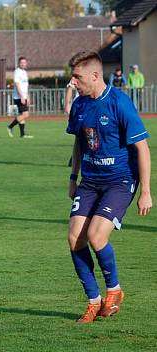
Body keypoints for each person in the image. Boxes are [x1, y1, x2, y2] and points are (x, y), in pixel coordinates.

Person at [66, 51, 152, 323]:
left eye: (77, 77)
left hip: (120, 180)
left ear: (94, 75)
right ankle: (94, 301)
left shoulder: (119, 102)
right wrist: (73, 177)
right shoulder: (80, 105)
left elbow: (142, 148)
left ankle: (114, 290)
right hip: (90, 181)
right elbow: (79, 142)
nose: (73, 82)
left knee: (96, 236)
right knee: (74, 238)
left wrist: (146, 192)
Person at [7, 56, 33, 139]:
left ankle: (22, 134)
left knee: (22, 115)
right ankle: (10, 127)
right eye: (21, 63)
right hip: (18, 96)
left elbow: (26, 86)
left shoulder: (24, 72)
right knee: (26, 114)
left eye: (24, 63)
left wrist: (27, 96)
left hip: (24, 96)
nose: (23, 64)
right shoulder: (17, 72)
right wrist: (22, 96)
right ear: (19, 63)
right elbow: (17, 84)